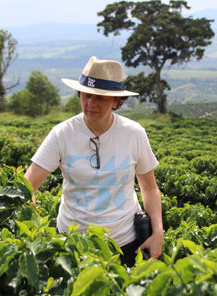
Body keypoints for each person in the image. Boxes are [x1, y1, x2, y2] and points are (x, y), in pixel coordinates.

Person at [24, 56, 163, 267]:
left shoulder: (134, 134)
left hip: (125, 244)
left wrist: (158, 232)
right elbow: (27, 186)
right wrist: (36, 228)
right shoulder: (62, 134)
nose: (91, 103)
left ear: (116, 101)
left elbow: (149, 188)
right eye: (86, 95)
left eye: (100, 98)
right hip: (72, 245)